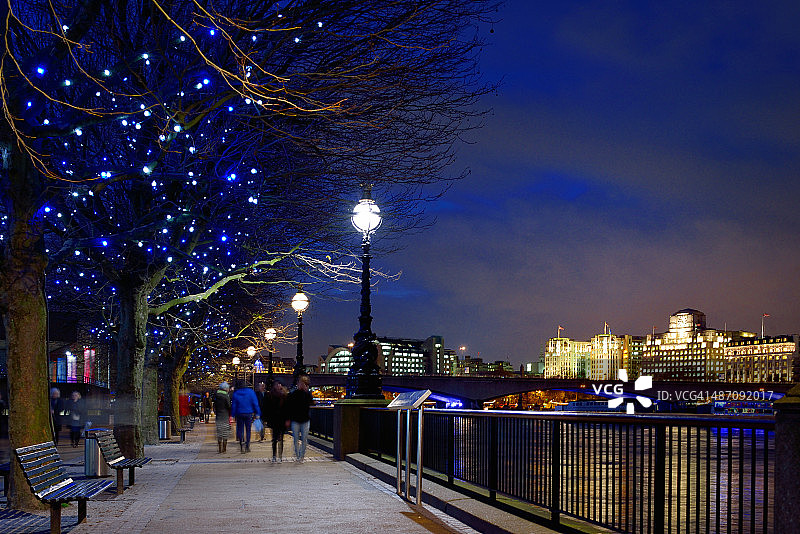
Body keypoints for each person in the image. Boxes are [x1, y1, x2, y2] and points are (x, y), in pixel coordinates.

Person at [286, 375, 313, 462]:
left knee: (304, 438)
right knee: (296, 439)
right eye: (300, 383)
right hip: (295, 419)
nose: (301, 385)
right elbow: (289, 406)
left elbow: (311, 403)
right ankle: (297, 454)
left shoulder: (307, 394)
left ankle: (302, 455)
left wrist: (307, 392)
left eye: (303, 383)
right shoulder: (293, 394)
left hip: (305, 419)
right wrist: (288, 418)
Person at [231, 380, 260, 453]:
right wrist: (257, 413)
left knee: (240, 429)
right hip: (248, 413)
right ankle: (247, 445)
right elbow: (255, 403)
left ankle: (241, 444)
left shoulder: (236, 393)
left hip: (239, 413)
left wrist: (232, 415)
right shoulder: (251, 392)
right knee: (248, 430)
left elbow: (234, 405)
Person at [265, 382, 288, 462]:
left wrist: (288, 419)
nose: (278, 385)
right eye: (277, 384)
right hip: (274, 420)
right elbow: (267, 408)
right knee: (275, 439)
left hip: (282, 419)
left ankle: (280, 455)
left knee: (281, 438)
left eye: (279, 384)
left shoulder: (284, 395)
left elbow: (287, 408)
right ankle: (274, 455)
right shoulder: (270, 395)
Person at [214, 382, 232, 453]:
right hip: (225, 416)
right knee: (225, 432)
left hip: (218, 416)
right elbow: (229, 406)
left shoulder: (216, 395)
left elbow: (215, 406)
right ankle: (224, 449)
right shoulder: (226, 396)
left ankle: (219, 448)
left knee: (219, 432)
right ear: (225, 388)